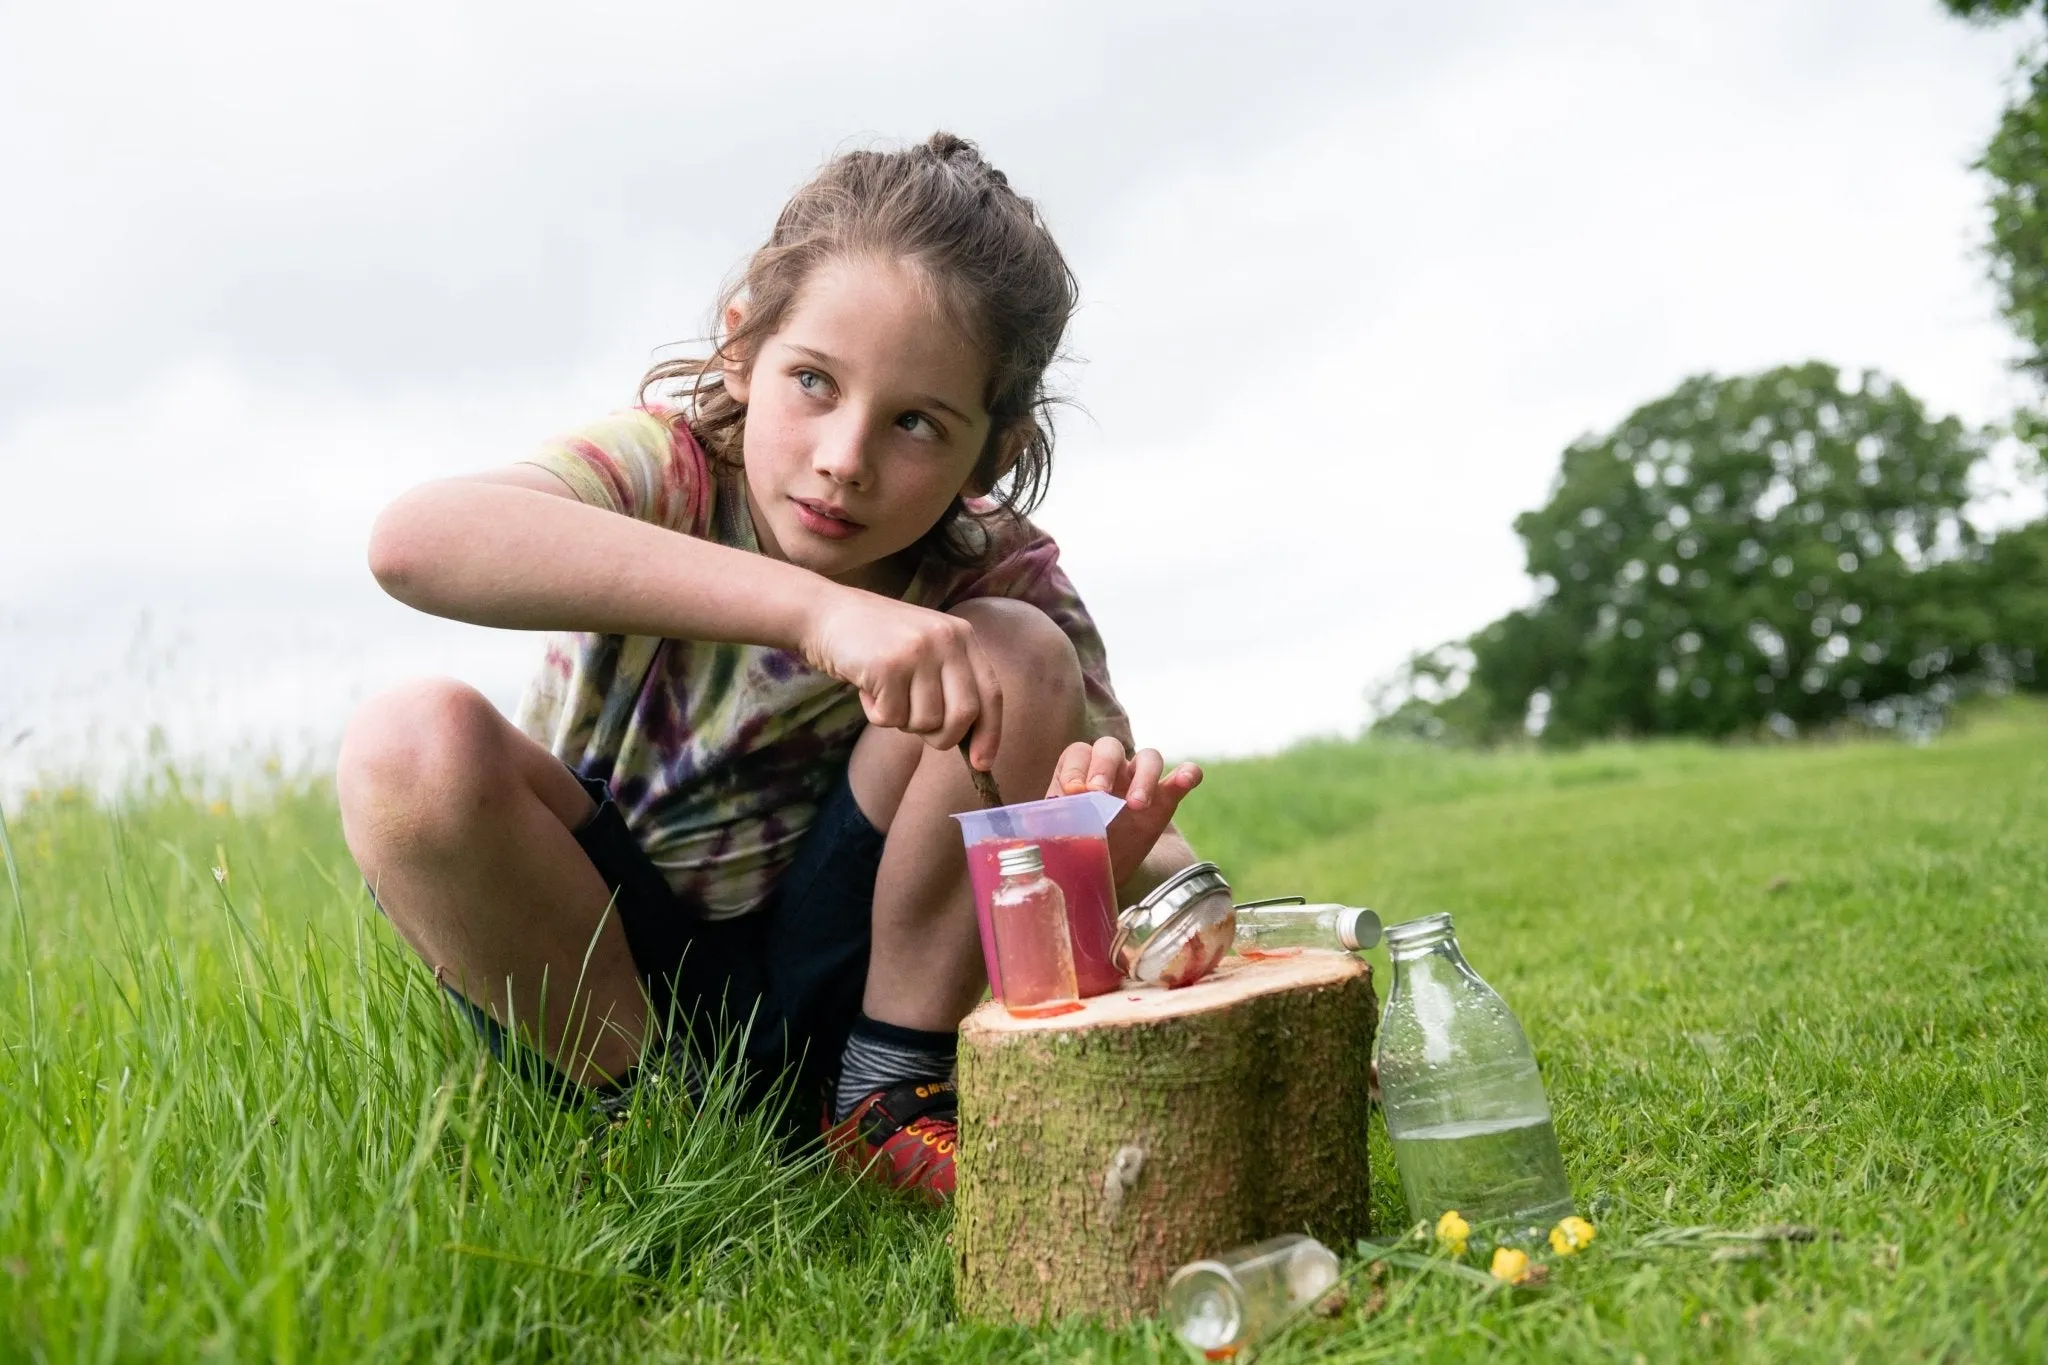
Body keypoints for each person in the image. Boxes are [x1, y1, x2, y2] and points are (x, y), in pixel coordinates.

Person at [336, 132, 1205, 1203]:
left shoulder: (995, 571)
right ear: (741, 349)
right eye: (812, 382)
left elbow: (1118, 821)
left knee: (1018, 656)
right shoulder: (668, 469)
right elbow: (413, 544)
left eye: (917, 423)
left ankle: (891, 1099)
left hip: (846, 979)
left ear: (996, 451)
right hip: (606, 969)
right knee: (404, 744)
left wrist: (1145, 881)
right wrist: (819, 613)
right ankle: (656, 1127)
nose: (845, 457)